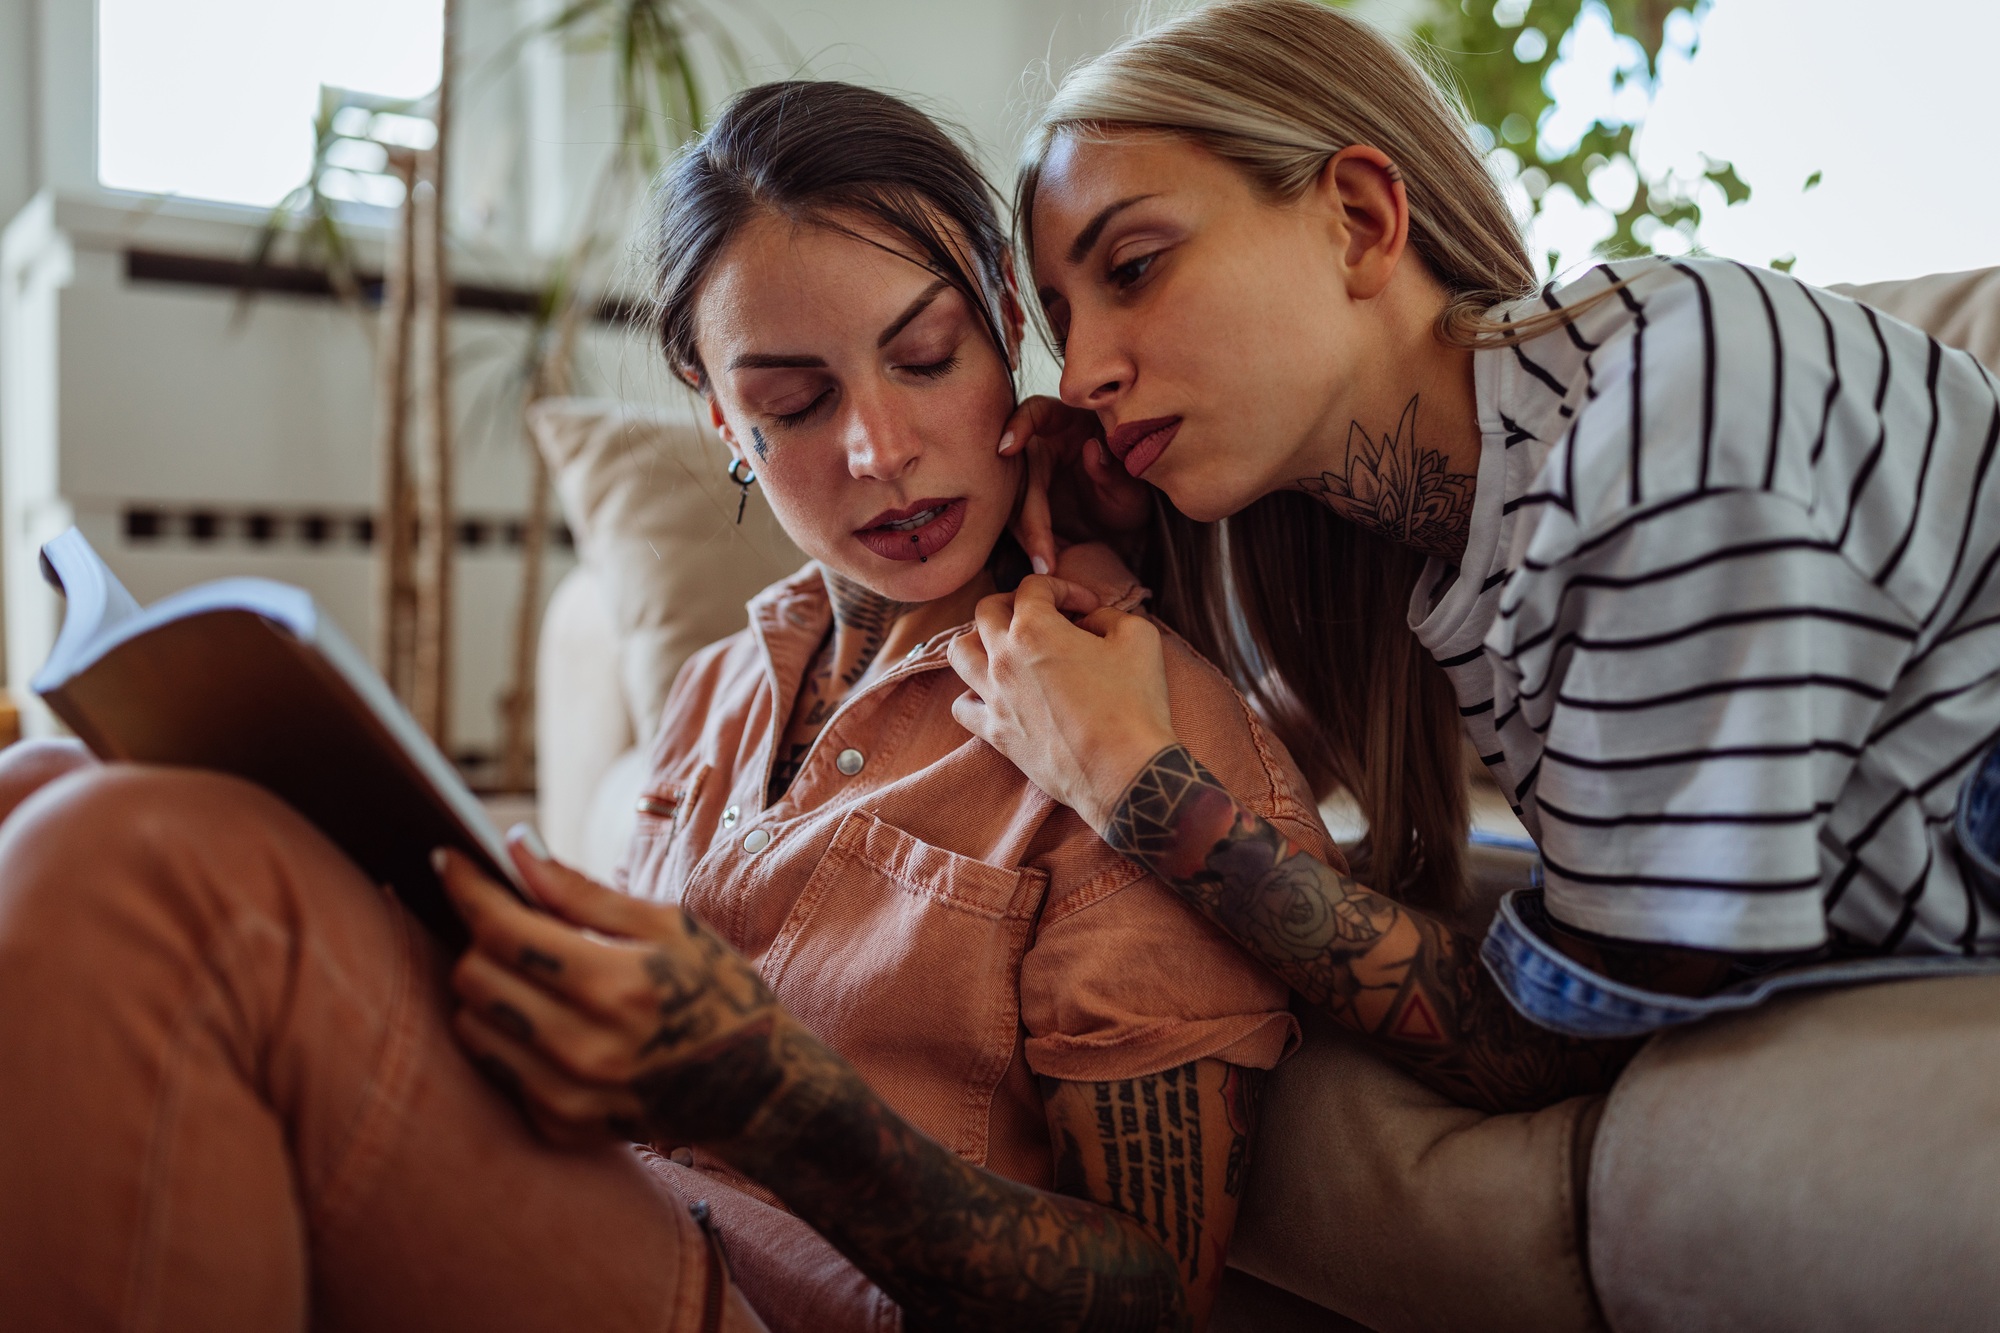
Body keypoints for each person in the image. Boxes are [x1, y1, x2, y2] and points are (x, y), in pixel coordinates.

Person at [0, 79, 1321, 1333]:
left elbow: (1151, 1301)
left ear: (1002, 335)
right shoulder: (719, 690)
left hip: (779, 1300)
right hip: (597, 1205)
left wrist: (778, 1102)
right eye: (791, 403)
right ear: (718, 424)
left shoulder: (1136, 727)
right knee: (40, 796)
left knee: (127, 865)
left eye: (925, 356)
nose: (877, 446)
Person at [946, 0, 2000, 1117]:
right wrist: (1119, 543)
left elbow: (1556, 1045)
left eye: (1136, 265)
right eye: (1064, 321)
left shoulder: (1662, 418)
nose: (1082, 378)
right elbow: (1291, 780)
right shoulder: (1454, 521)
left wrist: (1131, 780)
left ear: (1355, 218)